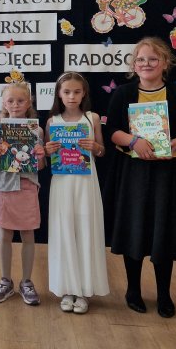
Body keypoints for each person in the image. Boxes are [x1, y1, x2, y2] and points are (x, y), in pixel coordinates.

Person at [103, 36, 176, 318]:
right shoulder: (123, 93)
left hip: (168, 174)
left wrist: (173, 143)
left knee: (163, 232)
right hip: (133, 173)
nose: (146, 64)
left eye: (153, 59)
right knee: (134, 227)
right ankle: (133, 290)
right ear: (134, 64)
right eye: (141, 59)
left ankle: (164, 295)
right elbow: (112, 131)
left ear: (165, 63)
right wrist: (134, 141)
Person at [44, 72, 109, 313]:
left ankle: (83, 290)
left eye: (77, 92)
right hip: (62, 184)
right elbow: (47, 153)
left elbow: (102, 151)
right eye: (67, 92)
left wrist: (95, 147)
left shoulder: (92, 119)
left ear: (84, 94)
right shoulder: (52, 121)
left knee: (85, 231)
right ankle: (67, 288)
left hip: (86, 183)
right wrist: (48, 149)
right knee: (64, 232)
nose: (72, 96)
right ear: (59, 94)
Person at [0, 82, 45, 306]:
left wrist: (40, 155)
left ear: (29, 103)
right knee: (5, 234)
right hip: (4, 187)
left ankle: (26, 281)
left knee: (28, 234)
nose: (16, 105)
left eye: (20, 101)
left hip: (27, 186)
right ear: (4, 103)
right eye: (11, 101)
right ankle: (5, 280)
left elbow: (40, 166)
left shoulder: (36, 130)